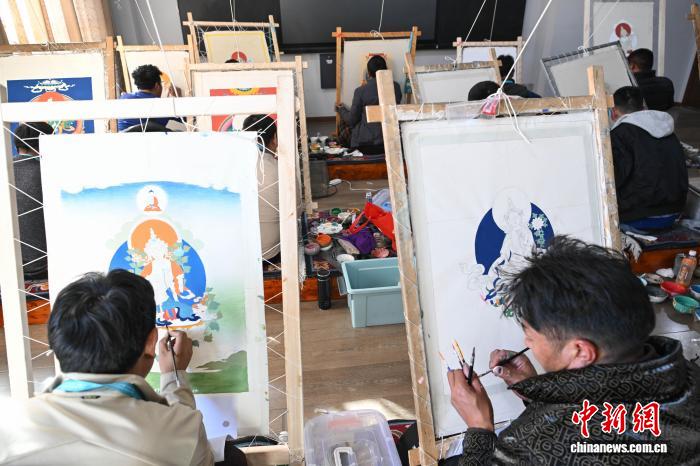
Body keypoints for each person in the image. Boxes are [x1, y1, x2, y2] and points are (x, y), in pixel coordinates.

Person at [448, 236, 700, 465]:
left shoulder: (528, 448)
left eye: (530, 335)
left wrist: (480, 427)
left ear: (580, 352)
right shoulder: (690, 377)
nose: (527, 342)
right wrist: (539, 393)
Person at [0, 270, 215, 465]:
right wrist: (174, 376)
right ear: (152, 342)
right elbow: (184, 438)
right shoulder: (181, 431)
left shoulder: (9, 426)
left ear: (57, 341)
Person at [610, 86, 687, 230]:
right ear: (643, 107)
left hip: (640, 215)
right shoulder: (666, 128)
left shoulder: (620, 134)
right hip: (674, 211)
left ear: (614, 112)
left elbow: (614, 179)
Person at [336, 55, 402, 155]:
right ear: (386, 70)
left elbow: (351, 120)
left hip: (366, 144)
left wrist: (341, 109)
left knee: (344, 123)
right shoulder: (396, 87)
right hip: (390, 141)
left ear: (369, 73)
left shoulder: (360, 91)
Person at [13, 122, 53, 280]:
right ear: (46, 144)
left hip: (9, 268)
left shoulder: (4, 172)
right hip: (46, 268)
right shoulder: (50, 173)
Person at [243, 114, 281, 261]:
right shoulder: (280, 168)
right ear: (274, 139)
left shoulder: (230, 164)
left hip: (235, 253)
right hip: (269, 252)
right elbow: (295, 211)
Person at [117, 64, 179, 132]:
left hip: (124, 138)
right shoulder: (164, 105)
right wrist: (177, 97)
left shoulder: (123, 98)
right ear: (157, 86)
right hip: (155, 138)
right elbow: (187, 118)